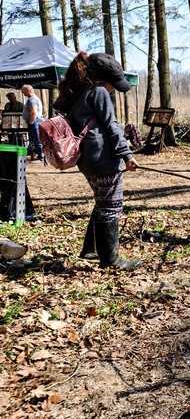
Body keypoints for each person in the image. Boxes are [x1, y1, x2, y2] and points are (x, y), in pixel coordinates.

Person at [52, 52, 141, 269]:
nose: (113, 90)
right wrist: (127, 156)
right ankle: (111, 260)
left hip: (86, 159)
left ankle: (90, 250)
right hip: (103, 158)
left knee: (102, 203)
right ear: (102, 80)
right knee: (111, 206)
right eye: (113, 84)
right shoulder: (99, 92)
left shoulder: (76, 92)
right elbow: (112, 127)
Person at [21, 84, 44, 161]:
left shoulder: (32, 100)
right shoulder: (33, 98)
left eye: (23, 91)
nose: (22, 93)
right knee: (36, 140)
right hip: (36, 121)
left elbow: (34, 112)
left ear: (28, 91)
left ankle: (41, 157)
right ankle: (39, 156)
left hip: (35, 121)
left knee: (38, 140)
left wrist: (31, 123)